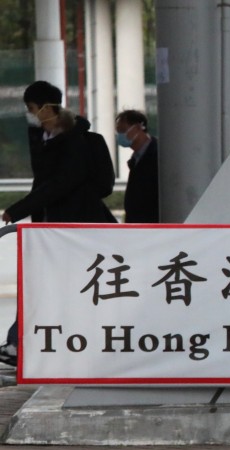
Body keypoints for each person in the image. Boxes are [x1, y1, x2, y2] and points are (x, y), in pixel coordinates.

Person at [0, 81, 116, 367]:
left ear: (44, 108)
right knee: (43, 283)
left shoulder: (78, 142)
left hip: (74, 229)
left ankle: (26, 343)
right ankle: (21, 342)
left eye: (31, 108)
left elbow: (61, 184)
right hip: (51, 227)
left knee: (57, 285)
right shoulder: (45, 139)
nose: (30, 114)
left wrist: (18, 209)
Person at [115, 109, 159, 223]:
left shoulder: (158, 154)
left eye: (123, 130)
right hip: (138, 224)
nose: (120, 136)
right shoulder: (135, 159)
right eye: (118, 132)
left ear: (138, 127)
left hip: (152, 223)